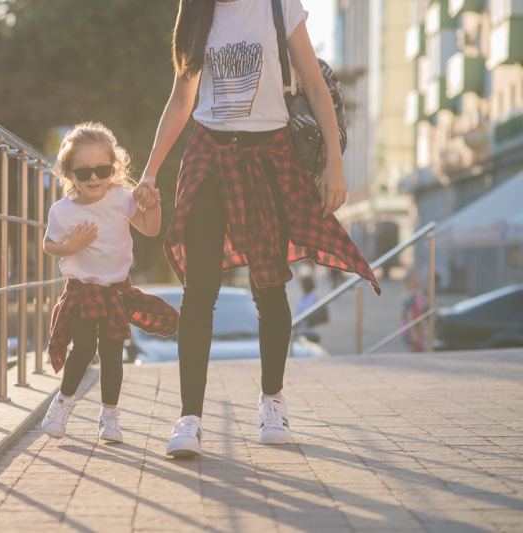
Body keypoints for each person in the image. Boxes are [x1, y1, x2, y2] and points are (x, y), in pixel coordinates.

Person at [133, 0, 380, 457]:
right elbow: (181, 99)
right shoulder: (195, 13)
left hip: (269, 155)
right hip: (209, 155)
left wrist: (335, 163)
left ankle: (272, 402)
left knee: (268, 286)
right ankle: (189, 418)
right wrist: (149, 172)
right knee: (199, 289)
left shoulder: (279, 5)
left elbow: (314, 86)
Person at [43, 122, 179, 443]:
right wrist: (69, 248)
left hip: (117, 290)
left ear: (113, 168)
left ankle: (109, 417)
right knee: (85, 346)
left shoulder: (120, 198)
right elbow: (49, 245)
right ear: (69, 173)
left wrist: (154, 204)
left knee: (113, 352)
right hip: (83, 290)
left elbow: (149, 228)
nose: (94, 179)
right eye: (84, 172)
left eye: (102, 170)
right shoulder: (62, 211)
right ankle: (62, 404)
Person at [401, 271, 427, 352]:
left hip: (418, 328)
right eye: (416, 277)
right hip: (413, 329)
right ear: (411, 281)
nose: (419, 279)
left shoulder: (418, 294)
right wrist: (413, 334)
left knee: (420, 350)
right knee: (416, 351)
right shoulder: (410, 297)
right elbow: (409, 316)